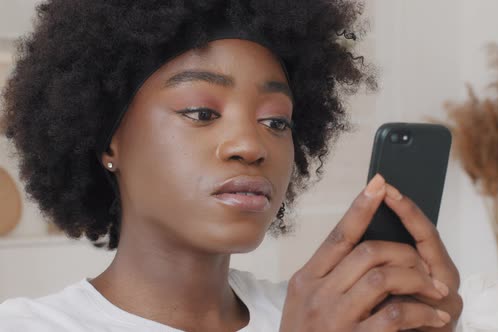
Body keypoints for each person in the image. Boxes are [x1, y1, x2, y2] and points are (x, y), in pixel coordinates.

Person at [0, 0, 462, 331]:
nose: (251, 145)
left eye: (276, 121)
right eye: (201, 113)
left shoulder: (332, 316)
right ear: (108, 139)